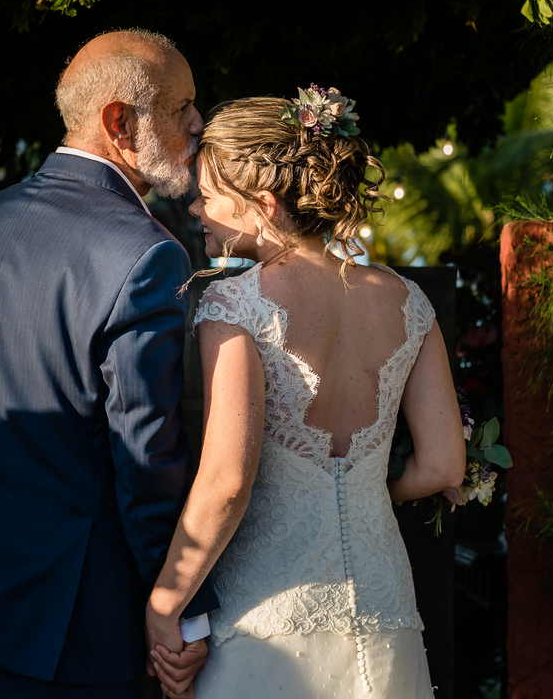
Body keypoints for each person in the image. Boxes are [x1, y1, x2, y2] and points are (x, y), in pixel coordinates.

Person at [0, 29, 218, 699]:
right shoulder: (147, 255)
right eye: (181, 106)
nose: (197, 123)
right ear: (119, 122)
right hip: (71, 635)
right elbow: (146, 461)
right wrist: (179, 608)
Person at [144, 89, 466, 699]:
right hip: (385, 607)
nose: (196, 209)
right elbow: (445, 465)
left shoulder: (233, 303)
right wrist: (366, 489)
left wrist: (166, 603)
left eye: (210, 197)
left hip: (267, 621)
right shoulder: (409, 303)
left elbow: (228, 481)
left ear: (262, 206)